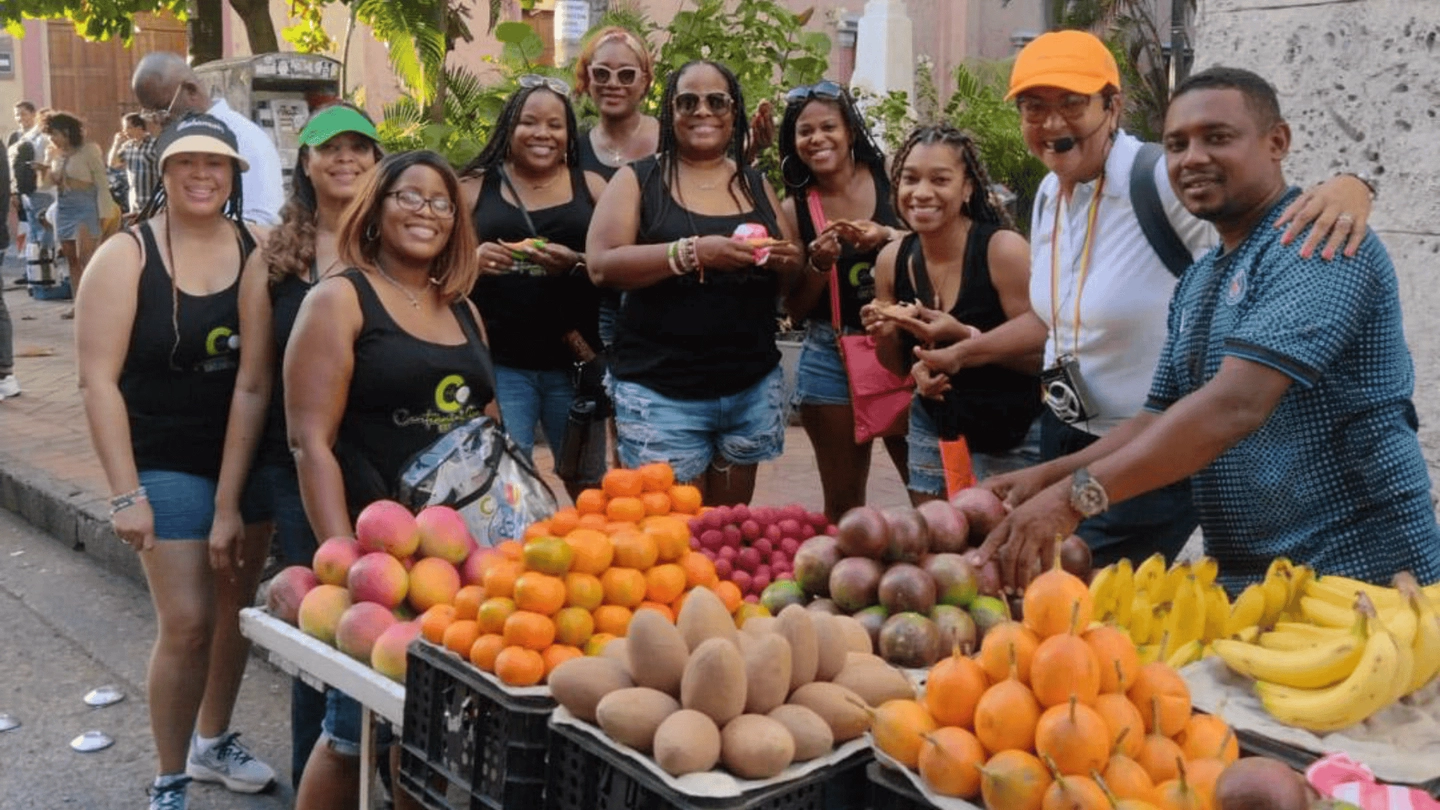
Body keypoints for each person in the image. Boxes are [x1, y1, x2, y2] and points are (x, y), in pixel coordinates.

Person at [974, 66, 1440, 594]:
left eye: (1217, 138)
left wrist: (1074, 498)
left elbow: (1235, 405)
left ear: (1276, 142)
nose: (1192, 158)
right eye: (1177, 145)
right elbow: (1154, 417)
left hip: (1367, 577)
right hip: (1254, 583)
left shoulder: (1317, 246)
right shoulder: (1199, 279)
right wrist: (1049, 476)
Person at [75, 113, 277, 810]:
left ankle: (212, 742)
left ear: (234, 175)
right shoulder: (126, 255)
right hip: (164, 457)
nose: (201, 175)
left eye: (215, 164)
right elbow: (97, 382)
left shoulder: (260, 246)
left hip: (246, 458)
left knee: (234, 609)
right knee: (189, 622)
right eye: (186, 162)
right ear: (163, 171)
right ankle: (170, 777)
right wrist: (124, 492)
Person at [285, 150, 490, 810]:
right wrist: (344, 562)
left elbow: (488, 437)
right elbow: (310, 442)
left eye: (442, 202)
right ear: (375, 208)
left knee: (427, 740)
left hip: (453, 562)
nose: (427, 211)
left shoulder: (463, 309)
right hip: (376, 553)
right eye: (409, 196)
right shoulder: (340, 298)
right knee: (352, 733)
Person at [205, 104, 382, 794]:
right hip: (299, 467)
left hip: (383, 463)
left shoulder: (395, 247)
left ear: (376, 162)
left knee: (387, 619)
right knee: (323, 625)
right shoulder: (275, 260)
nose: (345, 159)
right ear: (305, 162)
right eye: (329, 147)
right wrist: (228, 504)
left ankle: (382, 774)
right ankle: (322, 781)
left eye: (359, 148)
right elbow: (251, 387)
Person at [587, 60, 804, 505]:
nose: (702, 110)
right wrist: (693, 253)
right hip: (661, 391)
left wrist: (786, 260)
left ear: (733, 111)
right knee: (671, 532)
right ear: (671, 112)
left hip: (747, 387)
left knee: (726, 528)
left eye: (716, 101)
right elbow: (602, 264)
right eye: (688, 101)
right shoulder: (638, 179)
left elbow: (785, 279)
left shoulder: (753, 183)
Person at [861, 124, 1042, 503]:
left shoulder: (1003, 250)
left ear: (967, 188)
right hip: (935, 425)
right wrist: (887, 335)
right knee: (935, 536)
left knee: (999, 538)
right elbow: (895, 366)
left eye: (940, 180)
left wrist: (963, 338)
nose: (921, 193)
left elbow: (1041, 357)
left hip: (1012, 433)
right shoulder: (892, 259)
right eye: (910, 179)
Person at [461, 77, 610, 499]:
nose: (542, 133)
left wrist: (575, 261)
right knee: (509, 483)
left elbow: (616, 264)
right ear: (509, 127)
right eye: (529, 122)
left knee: (588, 485)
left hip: (575, 364)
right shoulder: (474, 186)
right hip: (500, 364)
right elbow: (433, 262)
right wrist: (473, 261)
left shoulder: (592, 187)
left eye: (555, 125)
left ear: (569, 134)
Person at [775, 80, 909, 520]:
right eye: (805, 131)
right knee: (844, 508)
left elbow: (940, 243)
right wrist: (818, 264)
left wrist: (887, 234)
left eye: (828, 127)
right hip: (830, 355)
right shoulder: (796, 208)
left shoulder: (892, 176)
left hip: (906, 347)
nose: (817, 139)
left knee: (931, 491)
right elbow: (794, 309)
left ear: (850, 130)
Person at [573, 26, 661, 353]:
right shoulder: (573, 150)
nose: (613, 83)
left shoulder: (672, 140)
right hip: (597, 305)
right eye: (601, 73)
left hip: (665, 298)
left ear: (645, 81)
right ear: (587, 78)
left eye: (626, 74)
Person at [132, 52, 285, 225]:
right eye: (150, 114)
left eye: (162, 110)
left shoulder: (245, 138)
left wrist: (201, 233)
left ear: (191, 91)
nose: (159, 121)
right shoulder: (181, 136)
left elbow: (263, 220)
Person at [38, 112, 109, 316]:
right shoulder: (55, 153)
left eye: (54, 134)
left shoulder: (89, 150)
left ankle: (97, 303)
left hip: (86, 205)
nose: (52, 139)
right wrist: (45, 167)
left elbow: (101, 182)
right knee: (71, 260)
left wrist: (104, 212)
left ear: (67, 132)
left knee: (86, 258)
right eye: (50, 135)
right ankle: (78, 304)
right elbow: (47, 185)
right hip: (64, 206)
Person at [11, 103, 55, 269]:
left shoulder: (26, 137)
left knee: (33, 232)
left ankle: (33, 272)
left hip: (28, 191)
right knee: (46, 230)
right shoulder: (45, 139)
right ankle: (46, 270)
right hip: (44, 191)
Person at [111, 112, 160, 218]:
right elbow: (112, 163)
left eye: (128, 128)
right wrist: (116, 144)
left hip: (153, 203)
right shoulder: (127, 146)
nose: (125, 132)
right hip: (135, 203)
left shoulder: (155, 144)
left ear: (139, 128)